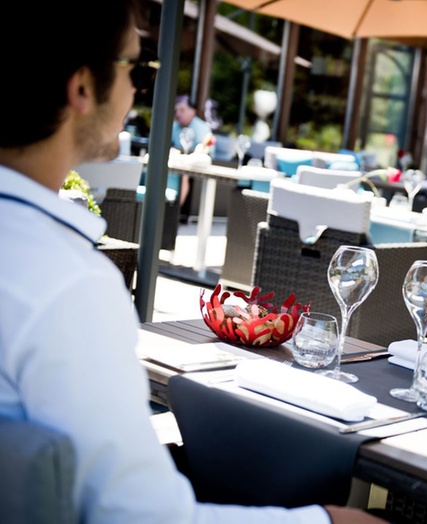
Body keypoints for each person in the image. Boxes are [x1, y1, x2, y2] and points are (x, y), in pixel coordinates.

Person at [0, 2, 384, 523]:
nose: (140, 89)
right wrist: (324, 521)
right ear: (83, 87)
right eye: (138, 68)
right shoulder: (65, 283)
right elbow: (140, 515)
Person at [172, 94, 212, 223]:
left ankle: (175, 211)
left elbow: (205, 151)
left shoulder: (201, 128)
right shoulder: (174, 127)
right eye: (176, 110)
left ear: (192, 111)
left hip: (196, 166)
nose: (178, 114)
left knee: (184, 174)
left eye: (182, 110)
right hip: (177, 162)